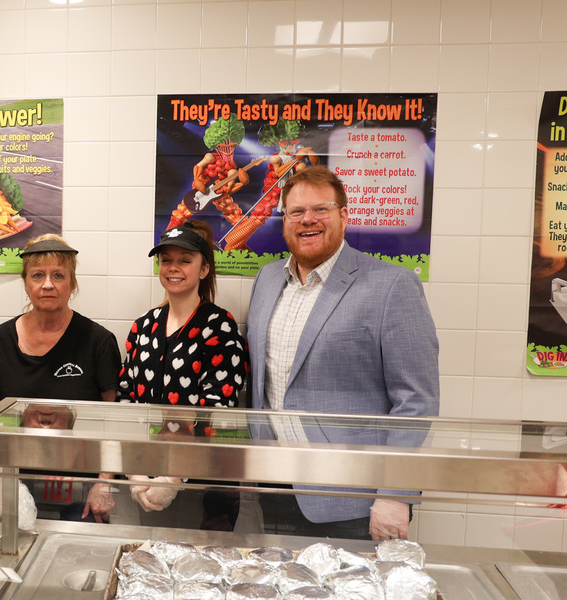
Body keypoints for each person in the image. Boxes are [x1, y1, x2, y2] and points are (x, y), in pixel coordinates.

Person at [245, 165, 440, 542]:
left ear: (344, 216)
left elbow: (417, 401)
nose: (308, 220)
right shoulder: (267, 279)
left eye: (321, 209)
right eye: (296, 212)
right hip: (274, 489)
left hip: (353, 500)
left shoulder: (391, 285)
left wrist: (395, 494)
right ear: (285, 221)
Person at [0, 234, 121, 521]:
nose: (48, 284)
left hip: (81, 490)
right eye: (38, 275)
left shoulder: (98, 341)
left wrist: (104, 482)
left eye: (58, 275)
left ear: (72, 283)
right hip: (10, 483)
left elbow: (113, 421)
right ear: (26, 283)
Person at [118, 220, 249, 522]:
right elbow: (126, 398)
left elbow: (218, 408)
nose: (173, 268)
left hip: (204, 484)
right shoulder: (143, 326)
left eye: (185, 260)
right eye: (167, 260)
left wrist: (173, 479)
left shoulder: (220, 326)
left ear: (204, 270)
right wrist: (134, 472)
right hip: (147, 478)